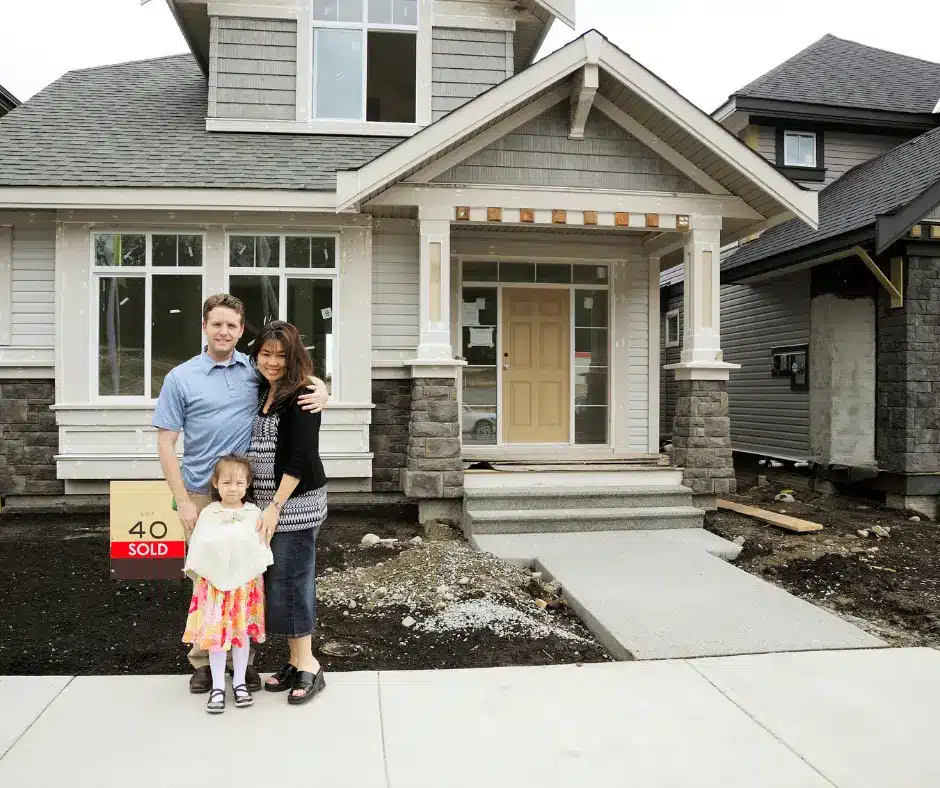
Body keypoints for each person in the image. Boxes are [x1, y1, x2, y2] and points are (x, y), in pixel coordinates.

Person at [154, 293, 328, 694]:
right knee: (208, 579)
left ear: (239, 330)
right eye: (217, 324)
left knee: (251, 577)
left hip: (251, 496)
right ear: (204, 326)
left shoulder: (251, 370)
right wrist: (181, 499)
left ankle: (244, 660)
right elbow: (166, 443)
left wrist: (323, 390)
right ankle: (203, 661)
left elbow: (292, 374)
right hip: (201, 493)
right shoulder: (181, 377)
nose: (224, 331)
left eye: (232, 325)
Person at [247, 321, 328, 705]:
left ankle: (310, 664)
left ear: (293, 356)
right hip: (267, 505)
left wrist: (276, 506)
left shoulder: (304, 393)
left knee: (293, 582)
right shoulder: (264, 389)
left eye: (281, 355)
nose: (273, 362)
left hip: (293, 505)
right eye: (266, 354)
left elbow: (300, 457)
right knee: (279, 583)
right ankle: (295, 660)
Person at [182, 455, 271, 714]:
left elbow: (260, 547)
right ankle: (219, 685)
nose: (233, 488)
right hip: (215, 589)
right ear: (216, 483)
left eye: (239, 482)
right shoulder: (209, 513)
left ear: (248, 484)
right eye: (227, 482)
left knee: (241, 635)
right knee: (216, 636)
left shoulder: (254, 513)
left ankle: (240, 682)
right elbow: (200, 545)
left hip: (244, 589)